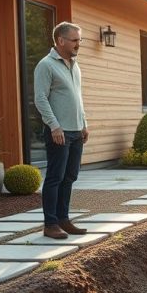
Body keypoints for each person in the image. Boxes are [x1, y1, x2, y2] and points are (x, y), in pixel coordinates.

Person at [34, 21, 89, 239]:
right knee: (55, 177)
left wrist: (83, 123)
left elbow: (78, 98)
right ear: (61, 40)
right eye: (75, 40)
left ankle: (64, 219)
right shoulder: (46, 65)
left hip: (76, 131)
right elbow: (40, 99)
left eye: (80, 40)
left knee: (70, 177)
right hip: (59, 132)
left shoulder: (75, 65)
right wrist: (54, 126)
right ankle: (50, 224)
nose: (78, 44)